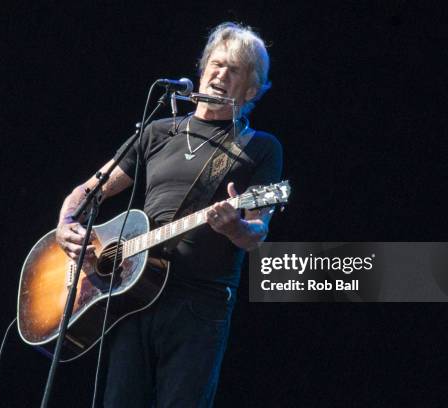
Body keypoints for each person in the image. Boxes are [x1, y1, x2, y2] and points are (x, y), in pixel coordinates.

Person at [56, 22, 282, 407]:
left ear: (252, 89)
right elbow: (89, 189)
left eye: (235, 70)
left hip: (199, 305)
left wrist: (235, 228)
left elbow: (256, 233)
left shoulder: (260, 148)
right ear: (202, 68)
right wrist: (66, 225)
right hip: (132, 296)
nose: (221, 74)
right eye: (216, 64)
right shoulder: (159, 131)